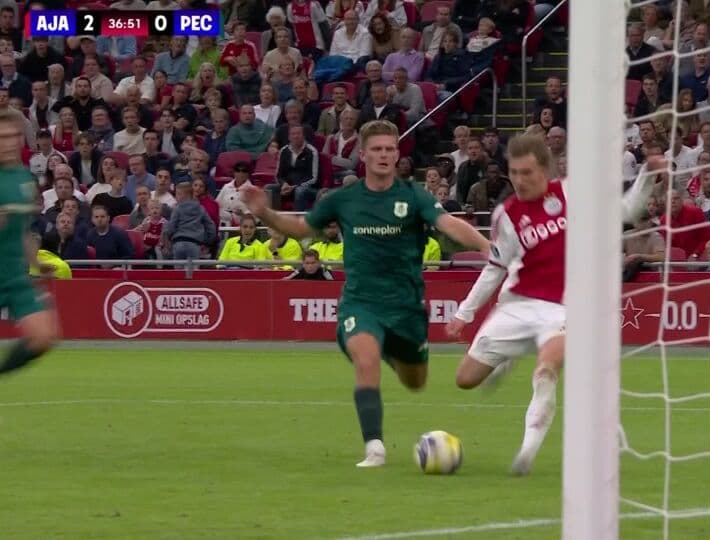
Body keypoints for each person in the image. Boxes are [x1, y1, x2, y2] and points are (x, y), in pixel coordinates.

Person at [240, 120, 490, 467]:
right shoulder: (344, 199)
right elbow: (300, 227)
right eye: (377, 149)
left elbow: (447, 224)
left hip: (406, 307)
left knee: (415, 380)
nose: (384, 155)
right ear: (363, 154)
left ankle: (394, 350)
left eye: (390, 149)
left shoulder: (413, 195)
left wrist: (485, 245)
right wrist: (265, 212)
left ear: (397, 153)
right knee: (366, 357)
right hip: (361, 301)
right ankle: (374, 447)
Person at [444, 135, 659, 475]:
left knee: (546, 371)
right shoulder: (507, 215)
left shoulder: (574, 194)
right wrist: (463, 313)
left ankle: (527, 451)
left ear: (545, 170)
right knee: (465, 379)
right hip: (518, 305)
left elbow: (627, 210)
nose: (518, 179)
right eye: (513, 172)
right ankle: (512, 353)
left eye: (526, 172)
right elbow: (496, 267)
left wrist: (648, 176)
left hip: (566, 309)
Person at [0, 109, 60, 378]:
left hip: (14, 275)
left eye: (12, 136)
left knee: (44, 337)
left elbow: (23, 230)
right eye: (2, 137)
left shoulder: (24, 178)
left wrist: (36, 263)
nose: (8, 142)